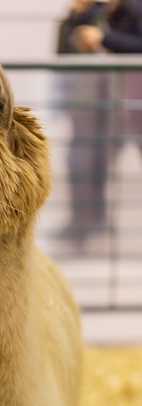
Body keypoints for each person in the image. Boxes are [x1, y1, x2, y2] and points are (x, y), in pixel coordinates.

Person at [57, 0, 142, 241]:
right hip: (100, 106)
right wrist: (77, 17)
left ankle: (90, 223)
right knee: (87, 163)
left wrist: (103, 37)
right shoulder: (91, 15)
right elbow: (65, 53)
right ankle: (86, 224)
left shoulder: (131, 9)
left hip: (128, 104)